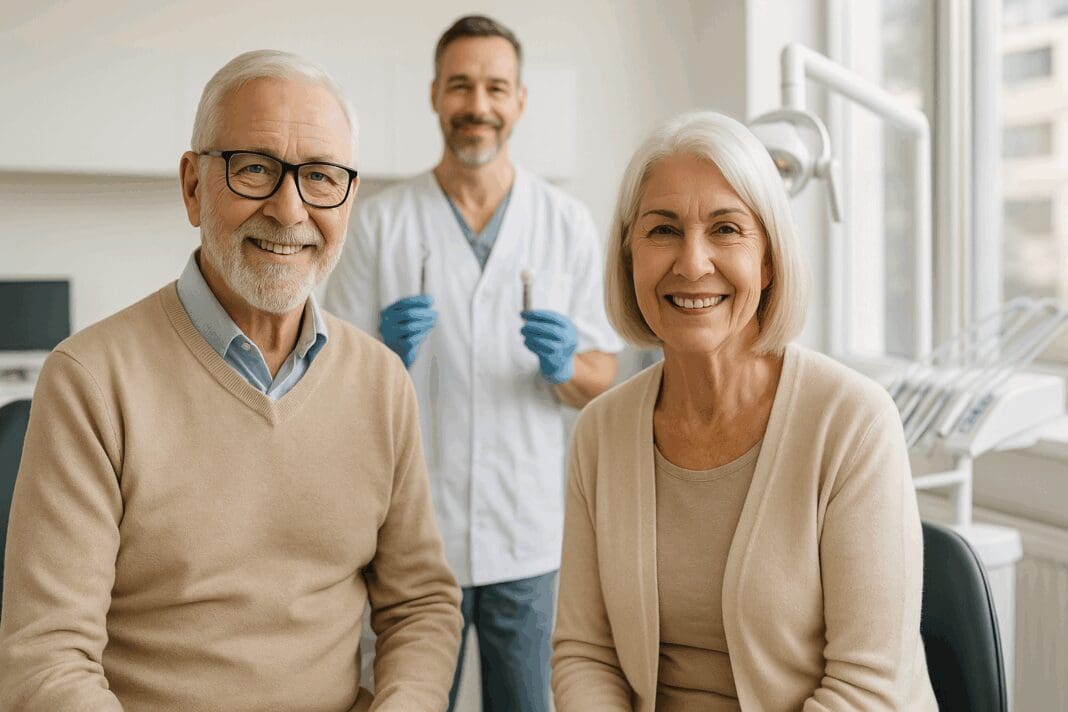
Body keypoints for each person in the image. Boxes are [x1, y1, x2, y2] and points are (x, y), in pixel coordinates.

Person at [0, 50, 462, 712]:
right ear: (192, 185)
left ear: (349, 198)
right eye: (254, 169)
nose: (288, 208)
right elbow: (47, 659)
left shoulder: (381, 384)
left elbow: (421, 605)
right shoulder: (90, 381)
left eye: (322, 177)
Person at [551, 111, 938, 711]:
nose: (692, 263)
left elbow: (867, 689)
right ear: (628, 257)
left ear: (769, 259)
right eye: (662, 230)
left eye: (726, 229)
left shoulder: (852, 423)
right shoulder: (599, 432)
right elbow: (585, 653)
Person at [324, 14, 623, 712]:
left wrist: (563, 367)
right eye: (461, 86)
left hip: (529, 534)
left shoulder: (565, 223)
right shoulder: (380, 221)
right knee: (404, 701)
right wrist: (381, 356)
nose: (478, 105)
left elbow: (603, 377)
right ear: (434, 96)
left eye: (495, 87)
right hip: (410, 535)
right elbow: (329, 382)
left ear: (520, 101)